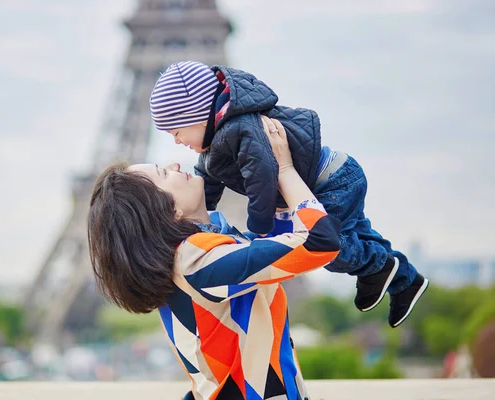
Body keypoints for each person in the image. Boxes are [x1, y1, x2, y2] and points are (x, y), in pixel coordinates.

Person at [149, 60, 429, 328]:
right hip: (333, 173)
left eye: (176, 131)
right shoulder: (217, 142)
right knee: (358, 236)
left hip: (329, 182)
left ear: (197, 114)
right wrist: (198, 220)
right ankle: (406, 281)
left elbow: (262, 179)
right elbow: (207, 182)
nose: (176, 141)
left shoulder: (240, 129)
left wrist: (260, 229)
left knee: (326, 247)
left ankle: (379, 267)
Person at [88, 117, 341, 400]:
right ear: (166, 211)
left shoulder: (205, 251)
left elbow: (282, 244)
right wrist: (284, 168)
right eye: (163, 173)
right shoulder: (200, 261)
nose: (175, 165)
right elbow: (319, 242)